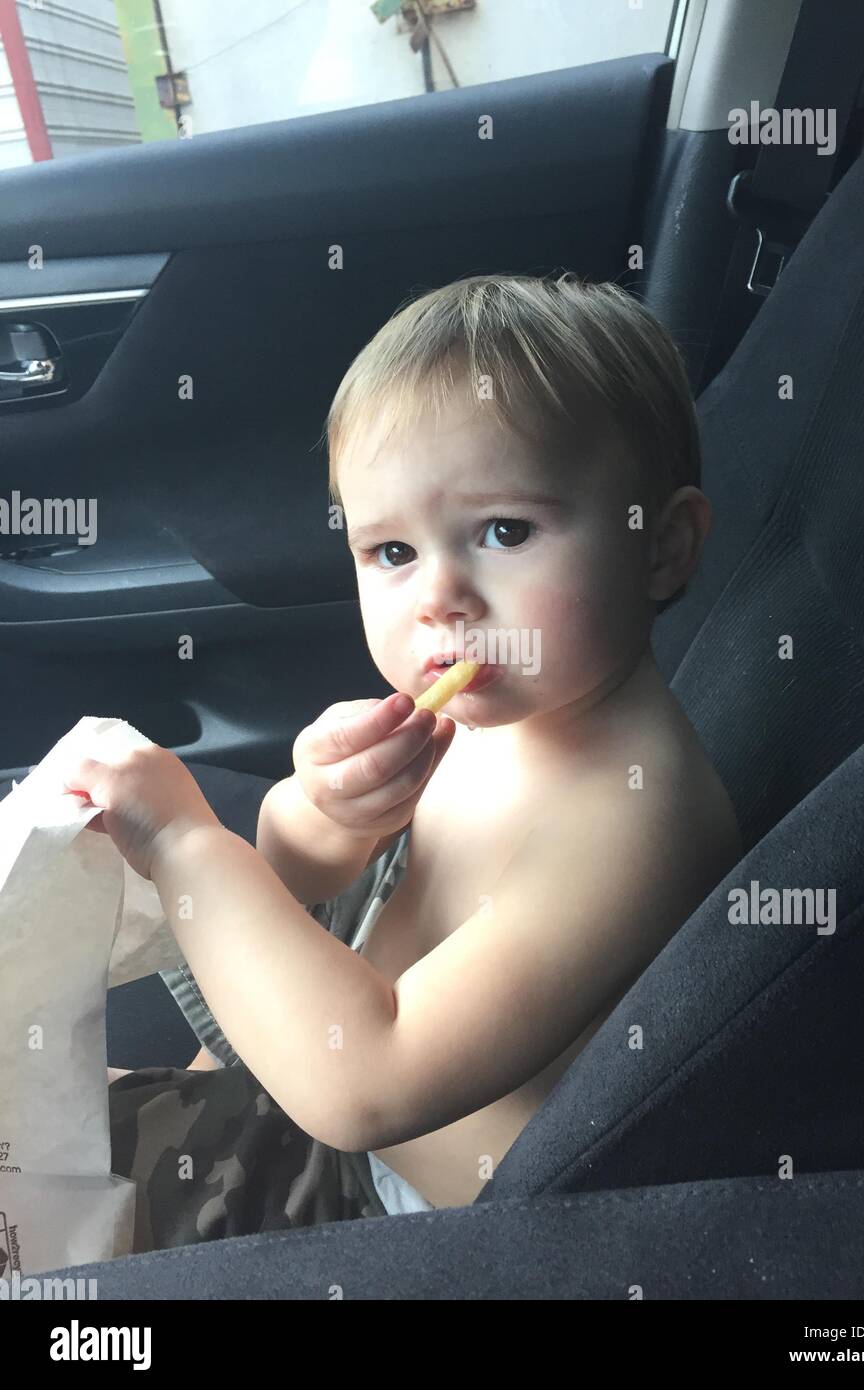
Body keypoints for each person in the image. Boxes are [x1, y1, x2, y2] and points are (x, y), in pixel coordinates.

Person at [65, 272, 742, 1252]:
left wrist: (178, 840)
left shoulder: (630, 814)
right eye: (389, 552)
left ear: (662, 547)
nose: (438, 598)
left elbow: (367, 1080)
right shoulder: (496, 711)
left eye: (504, 531)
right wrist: (323, 812)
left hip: (388, 1224)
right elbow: (300, 876)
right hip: (302, 1079)